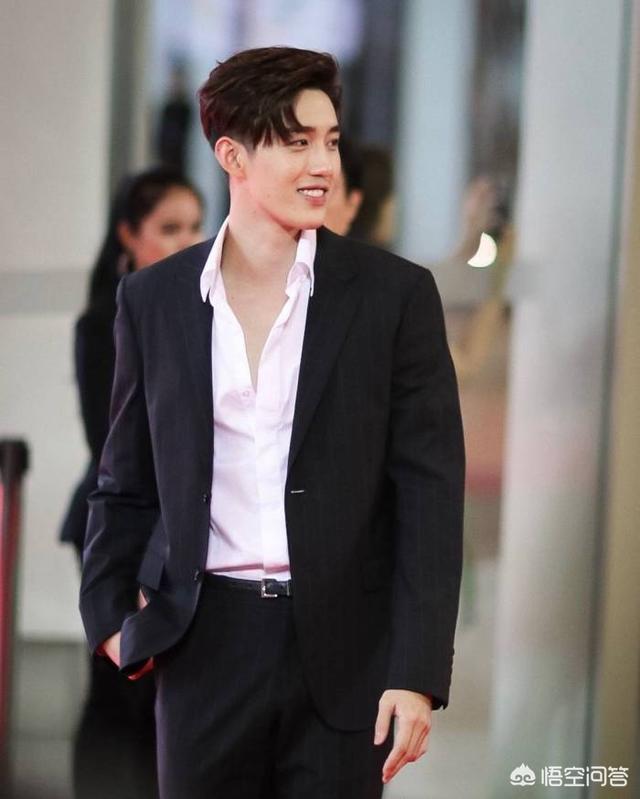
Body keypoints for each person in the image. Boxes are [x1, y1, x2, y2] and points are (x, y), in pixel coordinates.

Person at [79, 46, 465, 799]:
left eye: (330, 141)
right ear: (233, 156)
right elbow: (123, 483)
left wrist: (416, 672)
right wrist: (110, 621)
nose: (323, 164)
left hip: (345, 655)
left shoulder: (394, 297)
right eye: (296, 143)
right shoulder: (154, 302)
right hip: (202, 646)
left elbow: (430, 497)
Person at [61, 167, 204, 799]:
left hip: (183, 525)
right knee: (119, 686)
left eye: (196, 226)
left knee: (165, 699)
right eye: (169, 227)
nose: (187, 241)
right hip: (124, 523)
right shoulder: (105, 320)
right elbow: (112, 447)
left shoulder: (204, 310)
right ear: (129, 234)